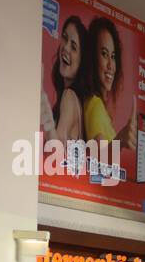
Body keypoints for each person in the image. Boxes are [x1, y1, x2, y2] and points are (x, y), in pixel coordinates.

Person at [82, 16, 137, 173]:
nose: (110, 65)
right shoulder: (95, 105)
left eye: (113, 57)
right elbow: (99, 159)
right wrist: (120, 139)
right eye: (104, 54)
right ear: (92, 57)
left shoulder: (98, 106)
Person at [42, 14, 87, 145]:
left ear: (81, 61)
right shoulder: (75, 99)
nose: (66, 48)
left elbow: (57, 150)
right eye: (65, 38)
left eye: (73, 47)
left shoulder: (69, 96)